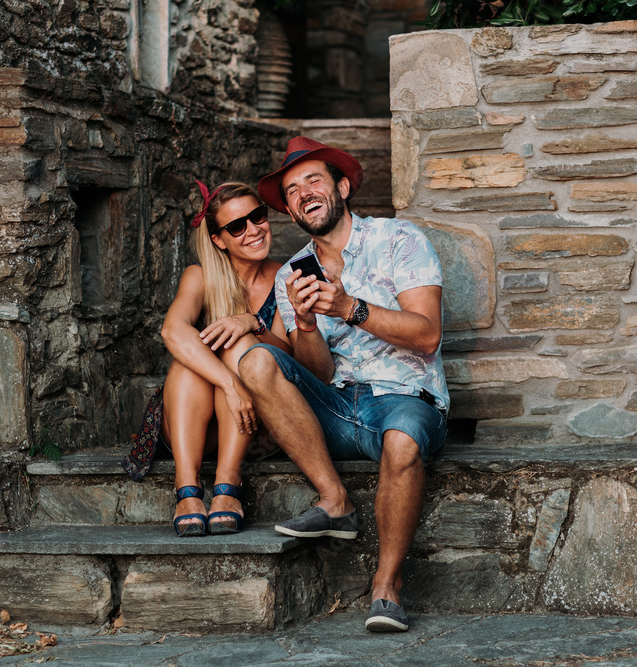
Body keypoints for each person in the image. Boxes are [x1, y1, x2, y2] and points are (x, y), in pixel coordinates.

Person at [237, 137, 449, 632]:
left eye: (313, 180)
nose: (303, 193)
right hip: (337, 407)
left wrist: (348, 308)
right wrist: (307, 323)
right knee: (256, 360)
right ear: (290, 210)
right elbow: (321, 374)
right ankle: (334, 500)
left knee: (401, 442)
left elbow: (428, 335)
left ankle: (386, 589)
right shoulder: (293, 274)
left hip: (404, 400)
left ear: (343, 186)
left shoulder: (400, 239)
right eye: (291, 190)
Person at [122, 180, 290, 537]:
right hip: (196, 419)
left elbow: (289, 353)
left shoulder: (285, 277)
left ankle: (228, 486)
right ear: (218, 239)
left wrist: (253, 323)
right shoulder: (200, 276)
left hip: (255, 419)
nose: (254, 230)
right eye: (236, 226)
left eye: (257, 216)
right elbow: (172, 331)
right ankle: (188, 491)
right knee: (187, 360)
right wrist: (229, 383)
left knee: (239, 344)